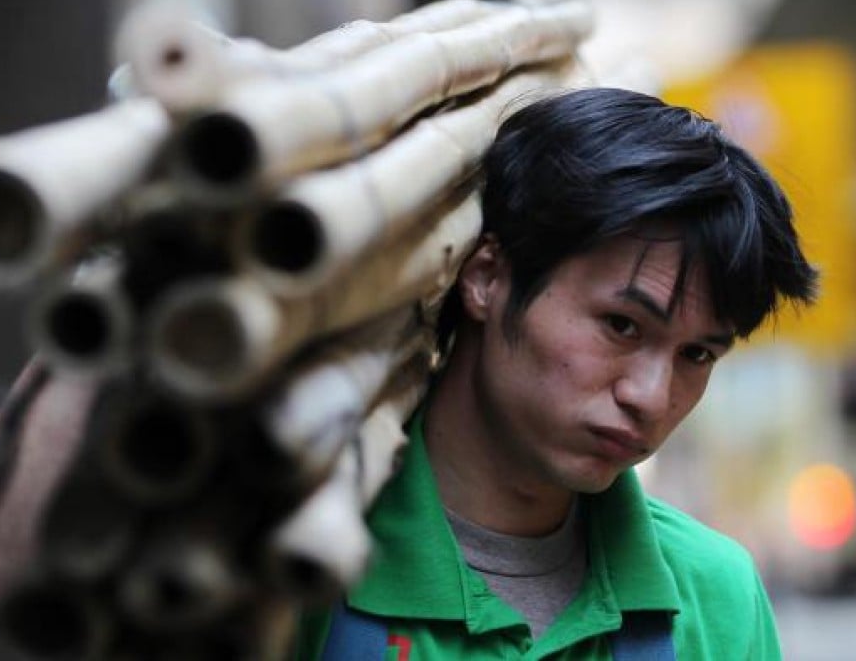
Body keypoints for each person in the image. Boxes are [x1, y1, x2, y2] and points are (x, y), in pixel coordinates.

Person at [292, 87, 819, 660]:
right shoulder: (301, 571)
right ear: (487, 276)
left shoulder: (716, 600)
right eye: (622, 325)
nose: (650, 396)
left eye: (696, 355)